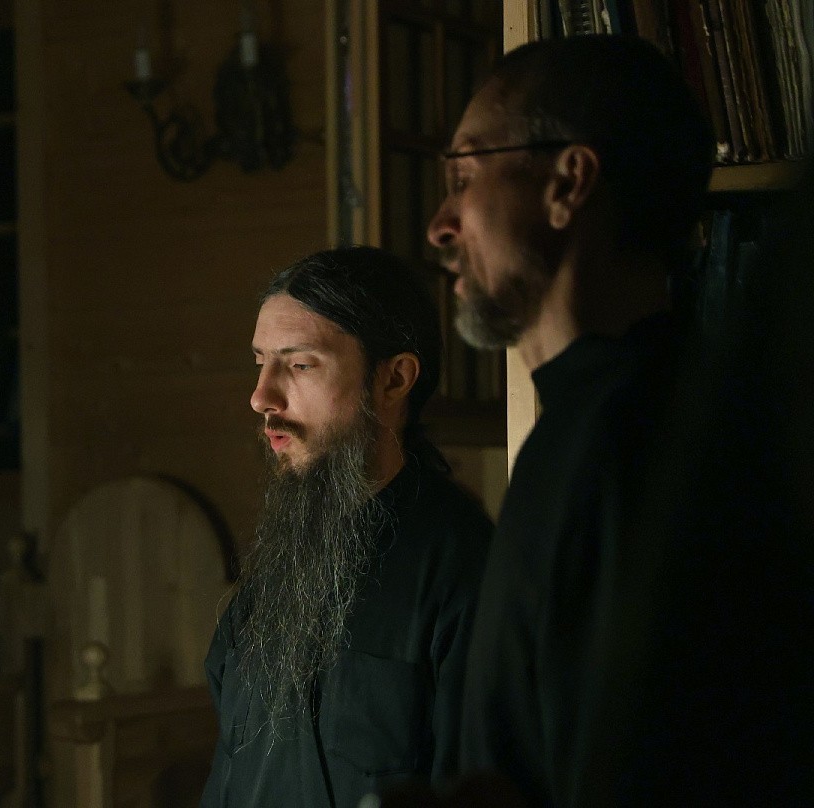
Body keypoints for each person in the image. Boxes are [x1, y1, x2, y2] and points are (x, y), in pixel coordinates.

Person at [386, 33, 716, 808]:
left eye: (464, 176)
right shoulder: (591, 421)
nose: (439, 225)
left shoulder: (637, 440)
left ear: (569, 182)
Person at [199, 245, 494, 807]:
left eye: (299, 364)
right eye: (260, 362)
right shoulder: (281, 563)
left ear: (393, 379)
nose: (261, 396)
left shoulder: (461, 568)